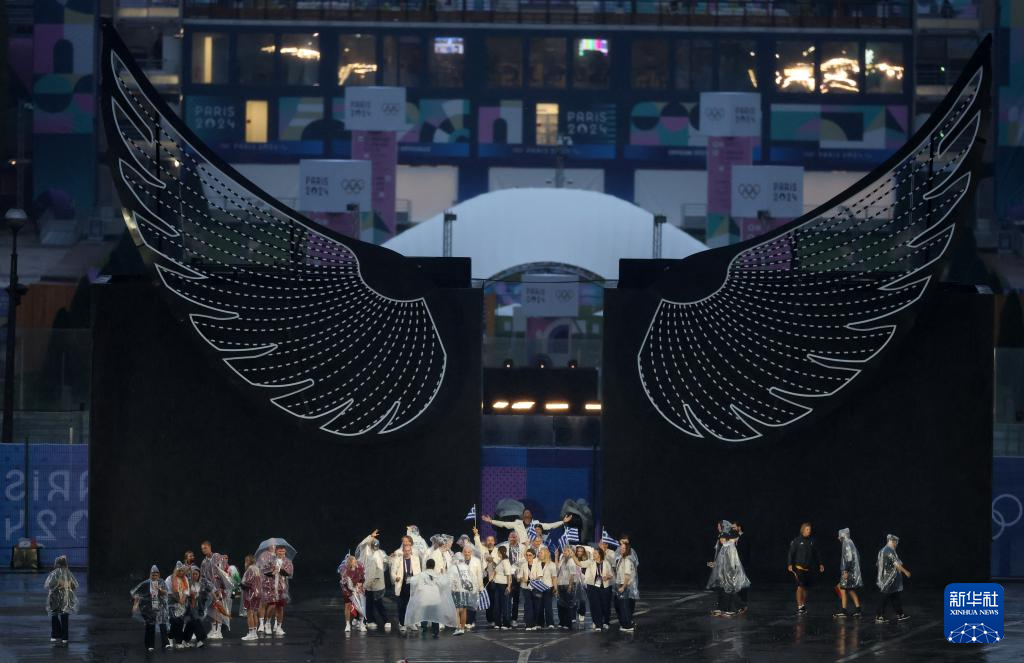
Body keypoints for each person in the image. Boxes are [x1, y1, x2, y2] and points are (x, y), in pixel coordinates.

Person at [405, 558, 458, 638]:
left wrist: (408, 579)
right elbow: (443, 584)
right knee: (435, 616)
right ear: (434, 566)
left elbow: (413, 581)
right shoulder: (437, 575)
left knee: (424, 615)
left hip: (424, 598)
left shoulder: (422, 575)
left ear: (426, 565)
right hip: (435, 599)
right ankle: (435, 632)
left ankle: (424, 629)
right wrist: (443, 575)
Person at [707, 530, 750, 617]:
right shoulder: (725, 546)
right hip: (723, 573)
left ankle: (735, 608)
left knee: (728, 591)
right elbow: (722, 561)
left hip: (729, 574)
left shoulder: (730, 547)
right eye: (720, 538)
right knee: (724, 591)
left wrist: (731, 573)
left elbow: (733, 562)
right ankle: (724, 608)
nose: (721, 540)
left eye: (723, 538)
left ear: (727, 538)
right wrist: (715, 565)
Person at [131, 565, 171, 652]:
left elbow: (166, 592)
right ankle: (149, 645)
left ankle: (166, 643)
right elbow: (135, 592)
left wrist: (160, 590)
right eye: (153, 575)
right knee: (150, 625)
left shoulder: (161, 582)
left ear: (158, 575)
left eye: (156, 575)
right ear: (150, 575)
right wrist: (136, 602)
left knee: (163, 624)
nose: (154, 577)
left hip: (160, 606)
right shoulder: (146, 583)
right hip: (150, 607)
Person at [787, 522, 824, 615]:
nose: (809, 531)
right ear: (803, 530)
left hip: (808, 569)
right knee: (800, 586)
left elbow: (817, 553)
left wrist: (821, 564)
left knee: (805, 588)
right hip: (798, 568)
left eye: (810, 530)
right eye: (807, 529)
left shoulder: (812, 541)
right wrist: (789, 564)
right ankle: (799, 606)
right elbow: (791, 553)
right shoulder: (797, 540)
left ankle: (803, 606)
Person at [358, 530, 390, 631]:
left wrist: (391, 558)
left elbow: (386, 562)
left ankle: (385, 620)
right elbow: (362, 545)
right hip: (368, 582)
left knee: (378, 602)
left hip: (376, 583)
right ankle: (370, 620)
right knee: (369, 603)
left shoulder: (380, 553)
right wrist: (370, 536)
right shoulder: (366, 552)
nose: (374, 545)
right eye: (373, 543)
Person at [200, 540, 232, 639]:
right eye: (202, 549)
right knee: (212, 609)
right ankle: (214, 630)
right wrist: (206, 589)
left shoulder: (217, 557)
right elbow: (203, 577)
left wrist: (222, 587)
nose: (203, 550)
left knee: (218, 609)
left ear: (210, 547)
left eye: (205, 548)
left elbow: (224, 572)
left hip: (219, 588)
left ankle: (219, 631)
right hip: (210, 590)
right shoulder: (204, 562)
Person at [875, 534, 911, 623]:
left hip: (888, 577)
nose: (896, 544)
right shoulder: (889, 550)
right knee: (885, 596)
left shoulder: (883, 550)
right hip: (890, 578)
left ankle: (900, 614)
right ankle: (879, 616)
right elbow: (896, 564)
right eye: (896, 542)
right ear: (892, 541)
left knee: (895, 595)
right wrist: (905, 571)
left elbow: (878, 564)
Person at [260, 545, 294, 636]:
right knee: (272, 605)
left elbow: (289, 573)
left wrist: (281, 570)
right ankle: (267, 623)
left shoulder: (287, 561)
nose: (281, 553)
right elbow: (264, 571)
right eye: (280, 551)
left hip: (281, 588)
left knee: (280, 607)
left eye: (283, 551)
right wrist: (273, 571)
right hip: (271, 587)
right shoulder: (270, 560)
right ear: (276, 551)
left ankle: (279, 627)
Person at [45, 555, 78, 645]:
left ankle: (55, 635)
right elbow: (74, 586)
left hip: (55, 597)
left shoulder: (54, 573)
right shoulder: (69, 573)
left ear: (57, 564)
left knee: (54, 615)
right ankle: (64, 637)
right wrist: (66, 585)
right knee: (64, 617)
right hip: (66, 598)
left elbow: (49, 585)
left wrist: (58, 585)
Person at [392, 539, 422, 633]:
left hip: (412, 585)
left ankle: (411, 623)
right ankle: (402, 623)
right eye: (405, 551)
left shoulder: (415, 559)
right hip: (402, 585)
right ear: (403, 551)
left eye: (409, 551)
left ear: (411, 551)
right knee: (402, 606)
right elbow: (393, 572)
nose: (407, 552)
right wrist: (396, 578)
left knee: (412, 605)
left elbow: (419, 572)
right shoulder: (398, 559)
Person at [473, 527, 500, 627]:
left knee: (494, 599)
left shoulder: (497, 550)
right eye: (488, 540)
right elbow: (477, 544)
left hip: (495, 578)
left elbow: (500, 562)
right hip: (485, 577)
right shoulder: (483, 549)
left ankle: (496, 619)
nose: (490, 542)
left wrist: (492, 560)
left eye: (491, 540)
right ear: (486, 541)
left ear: (494, 542)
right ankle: (490, 619)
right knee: (487, 598)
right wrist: (476, 534)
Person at [834, 528, 863, 619]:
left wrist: (845, 570)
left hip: (847, 571)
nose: (838, 538)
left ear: (842, 536)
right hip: (852, 571)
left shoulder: (846, 543)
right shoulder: (850, 542)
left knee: (843, 589)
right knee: (850, 589)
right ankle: (858, 610)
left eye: (839, 536)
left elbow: (848, 558)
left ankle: (844, 611)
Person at [450, 545, 478, 635]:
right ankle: (462, 628)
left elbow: (450, 580)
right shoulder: (466, 567)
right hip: (465, 590)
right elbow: (471, 578)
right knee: (464, 610)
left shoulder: (453, 568)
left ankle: (458, 628)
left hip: (456, 590)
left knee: (457, 610)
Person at [583, 547, 612, 631]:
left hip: (604, 586)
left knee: (605, 605)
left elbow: (611, 574)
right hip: (593, 586)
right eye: (593, 553)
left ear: (600, 554)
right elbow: (580, 564)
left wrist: (607, 577)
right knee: (595, 605)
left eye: (595, 553)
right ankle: (598, 624)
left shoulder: (606, 563)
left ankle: (606, 622)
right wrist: (573, 556)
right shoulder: (590, 562)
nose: (593, 554)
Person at [613, 536, 638, 632]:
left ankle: (628, 626)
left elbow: (627, 575)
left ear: (628, 549)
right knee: (621, 605)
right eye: (621, 548)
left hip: (624, 585)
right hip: (621, 584)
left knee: (624, 606)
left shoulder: (627, 560)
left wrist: (623, 587)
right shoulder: (621, 559)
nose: (622, 549)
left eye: (624, 548)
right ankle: (625, 623)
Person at [340, 553, 367, 634]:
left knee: (361, 605)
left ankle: (361, 623)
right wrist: (351, 590)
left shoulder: (360, 567)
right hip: (347, 589)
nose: (355, 563)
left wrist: (360, 584)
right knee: (347, 605)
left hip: (358, 588)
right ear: (349, 563)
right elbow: (344, 583)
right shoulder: (344, 570)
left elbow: (363, 578)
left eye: (355, 561)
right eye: (353, 562)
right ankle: (347, 624)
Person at [183, 565, 210, 647]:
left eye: (196, 574)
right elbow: (184, 594)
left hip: (199, 607)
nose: (194, 576)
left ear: (199, 575)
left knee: (191, 623)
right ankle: (199, 640)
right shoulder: (188, 583)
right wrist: (190, 594)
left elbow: (208, 592)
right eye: (193, 574)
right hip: (189, 607)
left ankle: (184, 640)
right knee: (196, 621)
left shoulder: (202, 584)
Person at [555, 546, 581, 629]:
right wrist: (556, 556)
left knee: (568, 604)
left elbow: (572, 574)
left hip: (567, 584)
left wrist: (570, 586)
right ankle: (562, 622)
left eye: (567, 551)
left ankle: (567, 623)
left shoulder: (571, 560)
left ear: (571, 552)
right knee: (560, 604)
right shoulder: (562, 559)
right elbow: (557, 567)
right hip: (560, 584)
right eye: (564, 551)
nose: (565, 552)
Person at [505, 531, 527, 625]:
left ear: (518, 538)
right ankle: (506, 619)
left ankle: (514, 619)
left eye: (514, 537)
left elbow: (525, 560)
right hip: (507, 576)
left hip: (517, 576)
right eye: (511, 537)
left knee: (516, 599)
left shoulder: (522, 547)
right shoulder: (505, 547)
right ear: (508, 538)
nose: (513, 539)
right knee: (507, 599)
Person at [167, 562, 191, 648]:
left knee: (180, 622)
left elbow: (187, 591)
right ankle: (175, 640)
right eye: (179, 571)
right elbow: (169, 593)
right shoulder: (169, 579)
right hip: (172, 603)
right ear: (176, 570)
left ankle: (175, 640)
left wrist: (183, 600)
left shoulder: (185, 578)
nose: (181, 572)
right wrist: (178, 600)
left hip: (182, 603)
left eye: (182, 571)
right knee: (175, 621)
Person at [240, 554, 262, 641]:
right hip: (258, 594)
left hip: (251, 594)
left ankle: (251, 634)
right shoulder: (257, 569)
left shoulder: (250, 569)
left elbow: (248, 582)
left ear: (248, 561)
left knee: (250, 613)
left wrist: (241, 584)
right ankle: (254, 633)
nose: (244, 563)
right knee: (254, 613)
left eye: (245, 561)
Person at [492, 545, 514, 629]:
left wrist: (508, 586)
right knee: (497, 604)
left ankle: (506, 623)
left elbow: (509, 574)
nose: (497, 553)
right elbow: (497, 571)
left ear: (499, 552)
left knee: (505, 605)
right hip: (497, 585)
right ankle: (498, 623)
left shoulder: (505, 561)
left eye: (498, 552)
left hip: (504, 585)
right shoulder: (500, 560)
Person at [538, 546, 557, 628]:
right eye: (539, 553)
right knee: (539, 606)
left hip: (548, 587)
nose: (539, 554)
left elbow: (554, 577)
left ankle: (550, 623)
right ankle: (540, 623)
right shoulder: (536, 563)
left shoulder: (552, 564)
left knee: (548, 606)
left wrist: (555, 588)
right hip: (538, 587)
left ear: (546, 554)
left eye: (541, 553)